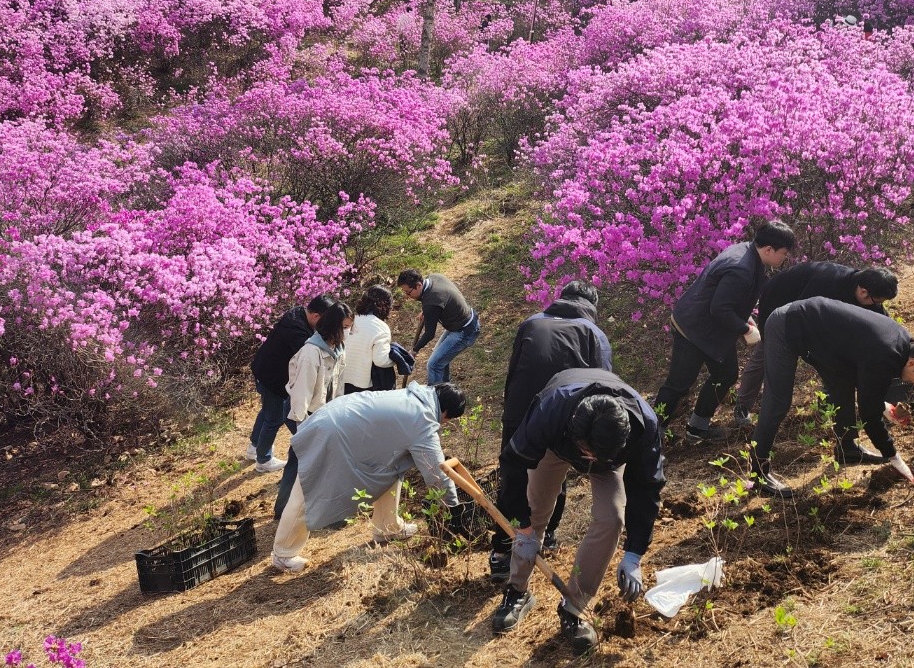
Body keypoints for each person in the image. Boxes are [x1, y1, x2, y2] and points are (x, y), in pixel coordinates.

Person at [491, 368, 665, 655]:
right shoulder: (553, 408)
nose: (589, 461)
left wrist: (635, 552)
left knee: (612, 518)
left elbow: (648, 486)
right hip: (556, 448)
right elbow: (513, 462)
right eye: (587, 453)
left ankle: (575, 606)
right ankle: (517, 591)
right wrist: (522, 528)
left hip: (611, 458)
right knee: (536, 509)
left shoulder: (643, 426)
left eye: (595, 456)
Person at [749, 297, 914, 498]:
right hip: (788, 325)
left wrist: (883, 407)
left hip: (823, 337)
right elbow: (870, 415)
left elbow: (867, 388)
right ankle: (758, 473)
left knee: (843, 386)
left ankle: (847, 448)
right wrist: (893, 456)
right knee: (778, 402)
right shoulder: (885, 354)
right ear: (912, 363)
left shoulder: (903, 346)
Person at [271, 382, 469, 573]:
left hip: (338, 416)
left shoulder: (416, 397)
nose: (445, 424)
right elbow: (437, 474)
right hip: (333, 432)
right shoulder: (423, 420)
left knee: (392, 470)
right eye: (448, 420)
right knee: (309, 489)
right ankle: (283, 553)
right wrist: (453, 508)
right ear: (445, 413)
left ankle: (388, 527)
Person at [489, 280, 612, 582]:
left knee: (513, 473)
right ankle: (550, 533)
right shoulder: (594, 334)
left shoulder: (531, 323)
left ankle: (504, 549)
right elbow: (604, 386)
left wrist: (512, 412)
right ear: (592, 308)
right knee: (558, 468)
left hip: (521, 410)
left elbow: (513, 370)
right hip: (564, 416)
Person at [654, 220, 798, 441]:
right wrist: (745, 329)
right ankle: (650, 437)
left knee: (726, 374)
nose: (784, 258)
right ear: (769, 249)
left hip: (712, 329)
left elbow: (731, 301)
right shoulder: (742, 268)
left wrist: (746, 319)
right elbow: (720, 308)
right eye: (784, 253)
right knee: (678, 385)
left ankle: (697, 427)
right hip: (692, 329)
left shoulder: (749, 253)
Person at [730, 263, 899, 442]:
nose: (878, 305)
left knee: (836, 359)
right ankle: (742, 406)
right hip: (780, 305)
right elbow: (802, 318)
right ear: (864, 292)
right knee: (765, 355)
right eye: (878, 301)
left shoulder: (866, 288)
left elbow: (880, 320)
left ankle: (827, 402)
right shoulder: (827, 283)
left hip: (809, 311)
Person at [273, 301, 353, 521]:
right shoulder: (311, 353)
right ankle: (295, 510)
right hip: (301, 413)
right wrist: (303, 429)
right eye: (345, 327)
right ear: (334, 326)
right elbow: (301, 395)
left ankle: (285, 508)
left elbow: (337, 384)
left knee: (301, 458)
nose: (349, 331)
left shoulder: (339, 349)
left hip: (322, 412)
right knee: (309, 458)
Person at [248, 294, 338, 473]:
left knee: (267, 412)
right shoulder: (298, 333)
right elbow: (308, 355)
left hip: (264, 371)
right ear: (316, 316)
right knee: (274, 419)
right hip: (273, 379)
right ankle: (263, 459)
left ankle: (255, 446)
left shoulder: (297, 314)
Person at [397, 269, 480, 385]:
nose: (407, 296)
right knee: (440, 358)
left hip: (465, 330)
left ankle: (436, 399)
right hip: (462, 319)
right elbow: (438, 300)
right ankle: (446, 390)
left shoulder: (431, 304)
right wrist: (426, 311)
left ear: (418, 285)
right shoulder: (434, 277)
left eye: (408, 292)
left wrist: (414, 350)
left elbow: (430, 334)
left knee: (434, 365)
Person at [343, 285, 394, 394]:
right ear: (386, 305)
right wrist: (396, 358)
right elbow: (380, 361)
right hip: (363, 385)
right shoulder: (380, 327)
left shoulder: (351, 320)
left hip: (342, 381)